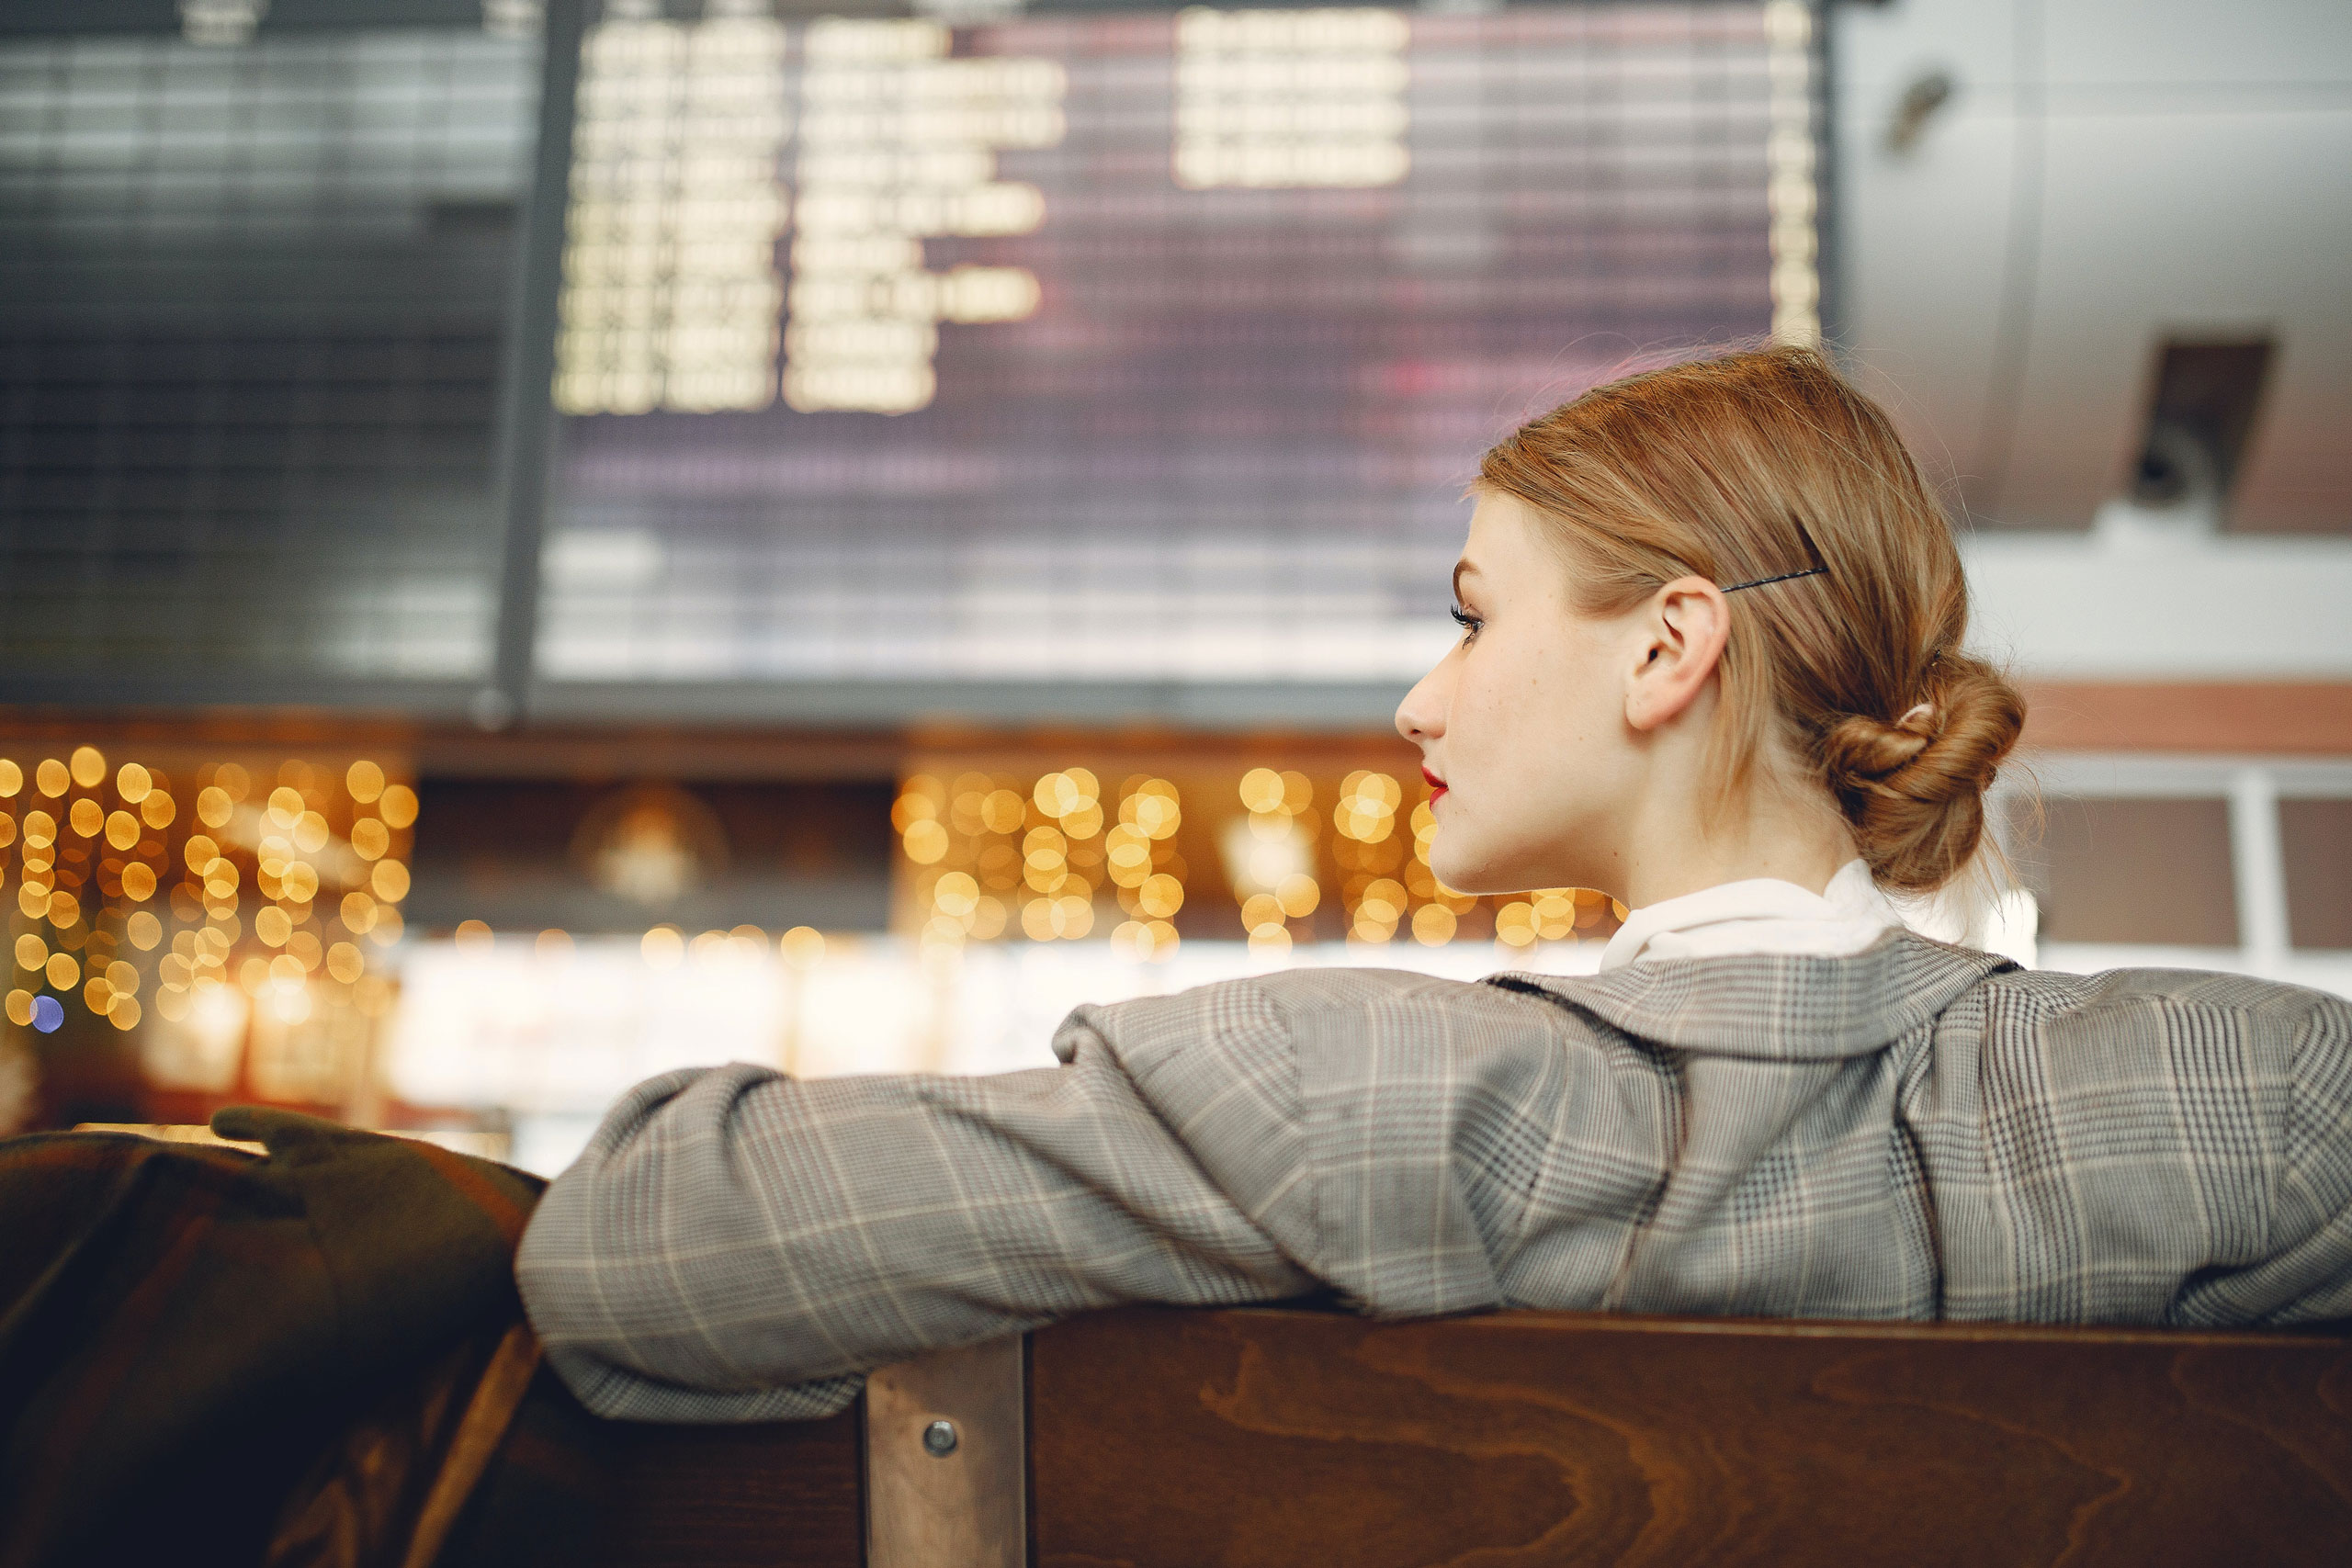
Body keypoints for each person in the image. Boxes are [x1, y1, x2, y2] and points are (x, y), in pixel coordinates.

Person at [514, 344, 2352, 1424]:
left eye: (1469, 614)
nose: (1418, 696)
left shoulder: (1336, 1100)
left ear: (1664, 652)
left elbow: (630, 1246)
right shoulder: (2257, 1111)